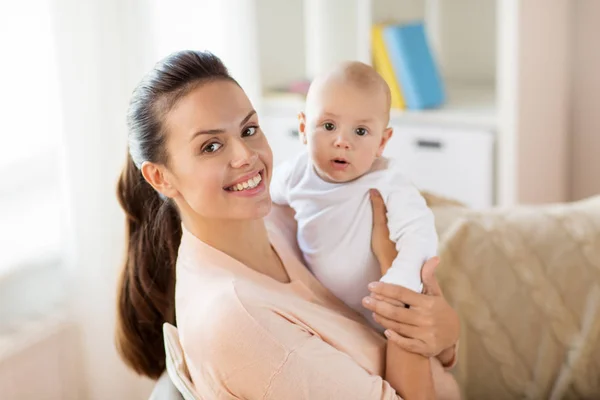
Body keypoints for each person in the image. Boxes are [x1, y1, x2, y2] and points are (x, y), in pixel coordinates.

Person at [115, 50, 460, 399]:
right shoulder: (240, 321)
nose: (246, 156)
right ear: (160, 177)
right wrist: (393, 277)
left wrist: (445, 335)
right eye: (211, 146)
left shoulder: (281, 216)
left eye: (249, 130)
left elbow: (435, 339)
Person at [270, 61, 437, 329]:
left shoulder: (387, 180)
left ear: (382, 142)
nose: (342, 141)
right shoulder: (294, 174)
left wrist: (400, 279)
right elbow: (262, 197)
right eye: (328, 126)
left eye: (360, 131)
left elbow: (421, 233)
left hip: (378, 313)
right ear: (303, 128)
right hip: (323, 308)